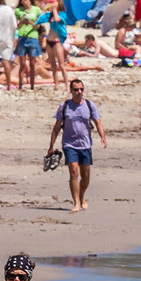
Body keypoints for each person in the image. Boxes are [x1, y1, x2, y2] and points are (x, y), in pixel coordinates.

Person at [47, 75, 105, 212]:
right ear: (71, 91)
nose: (79, 92)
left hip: (85, 144)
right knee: (74, 171)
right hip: (69, 144)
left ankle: (82, 195)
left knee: (85, 176)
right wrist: (51, 145)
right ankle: (76, 203)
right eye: (76, 90)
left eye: (81, 89)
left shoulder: (90, 105)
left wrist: (103, 136)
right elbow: (56, 126)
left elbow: (98, 122)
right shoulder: (65, 106)